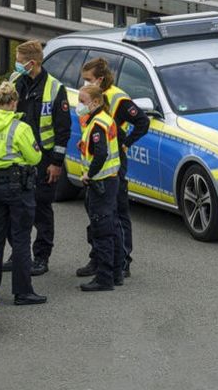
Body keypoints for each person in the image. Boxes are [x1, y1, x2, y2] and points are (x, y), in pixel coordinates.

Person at [75, 58, 150, 279]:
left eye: (88, 80)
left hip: (112, 163)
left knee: (115, 213)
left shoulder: (118, 98)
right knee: (97, 213)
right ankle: (98, 257)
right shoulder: (89, 98)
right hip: (96, 165)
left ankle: (122, 260)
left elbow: (142, 122)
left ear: (100, 79)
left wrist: (126, 144)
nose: (85, 84)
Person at [0, 81, 46, 305]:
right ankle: (22, 292)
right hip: (18, 188)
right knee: (21, 239)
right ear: (14, 102)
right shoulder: (20, 128)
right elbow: (35, 157)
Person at [9, 40, 71, 276]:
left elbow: (63, 130)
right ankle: (19, 253)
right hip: (18, 156)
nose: (16, 64)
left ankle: (41, 257)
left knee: (41, 209)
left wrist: (56, 163)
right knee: (17, 208)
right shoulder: (16, 81)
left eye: (19, 60)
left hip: (44, 159)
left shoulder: (55, 89)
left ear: (31, 63)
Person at [77, 85, 123, 291]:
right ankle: (116, 273)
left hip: (101, 183)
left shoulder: (97, 124)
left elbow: (101, 153)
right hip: (110, 181)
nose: (79, 105)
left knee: (102, 230)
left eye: (82, 101)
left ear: (95, 102)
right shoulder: (104, 118)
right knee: (111, 227)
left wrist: (89, 174)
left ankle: (104, 278)